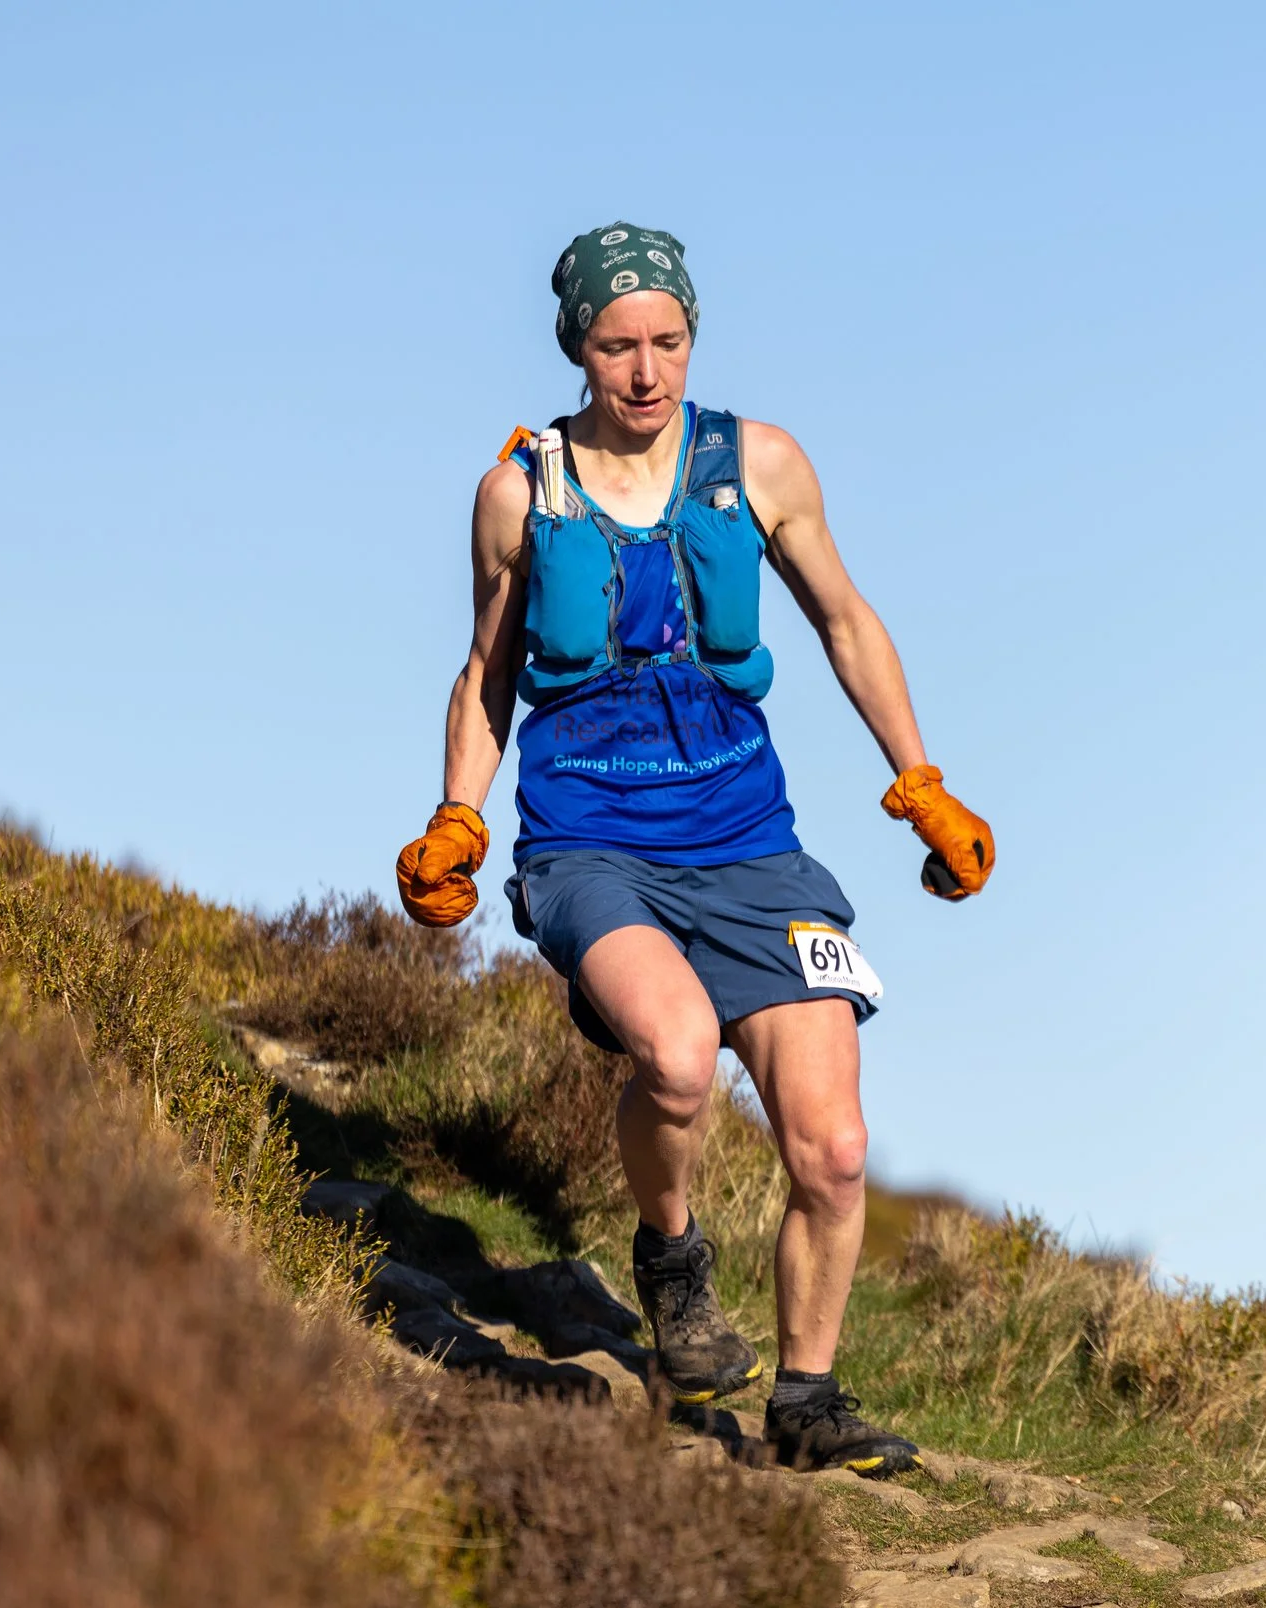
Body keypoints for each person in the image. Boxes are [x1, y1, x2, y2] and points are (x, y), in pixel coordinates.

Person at [393, 222, 993, 1476]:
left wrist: (919, 779)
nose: (646, 370)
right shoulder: (522, 487)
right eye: (618, 345)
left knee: (832, 1148)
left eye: (667, 340)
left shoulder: (757, 462)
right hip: (589, 839)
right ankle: (670, 1259)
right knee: (672, 1054)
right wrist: (459, 811)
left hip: (747, 839)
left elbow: (842, 617)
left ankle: (807, 1401)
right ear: (578, 348)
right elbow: (486, 670)